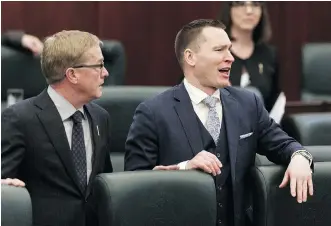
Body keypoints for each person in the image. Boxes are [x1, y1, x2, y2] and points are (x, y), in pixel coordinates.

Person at [125, 19, 313, 226]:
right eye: (219, 50)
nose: (230, 58)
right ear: (190, 57)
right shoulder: (152, 112)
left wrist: (300, 157)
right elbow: (134, 184)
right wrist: (184, 168)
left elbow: (283, 144)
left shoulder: (248, 103)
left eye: (230, 50)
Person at [1, 30, 113, 226]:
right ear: (73, 74)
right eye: (99, 65)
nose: (105, 72)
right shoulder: (20, 118)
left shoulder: (100, 117)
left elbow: (105, 184)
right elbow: (4, 185)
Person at [218, 1, 280, 112]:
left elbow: (274, 102)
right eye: (241, 4)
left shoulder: (269, 54)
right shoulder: (212, 51)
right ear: (229, 9)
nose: (249, 11)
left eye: (255, 4)